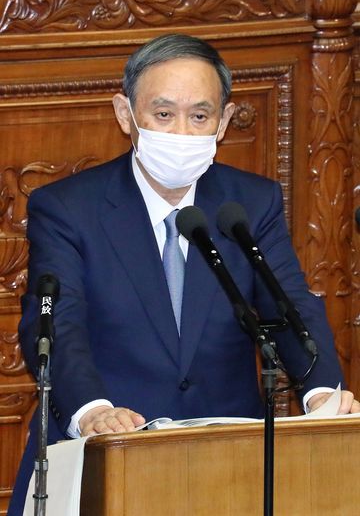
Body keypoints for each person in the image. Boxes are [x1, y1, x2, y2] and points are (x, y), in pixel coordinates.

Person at [8, 33, 360, 514]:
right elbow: (56, 322)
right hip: (108, 455)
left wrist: (321, 394)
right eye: (163, 114)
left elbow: (289, 304)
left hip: (230, 462)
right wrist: (93, 411)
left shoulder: (249, 204)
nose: (181, 132)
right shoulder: (68, 208)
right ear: (126, 114)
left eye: (199, 116)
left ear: (224, 122)